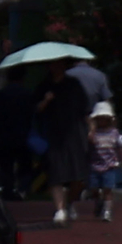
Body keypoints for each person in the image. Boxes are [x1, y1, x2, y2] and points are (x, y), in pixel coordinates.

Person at [37, 59, 94, 227]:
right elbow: (36, 109)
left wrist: (91, 129)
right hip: (53, 135)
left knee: (78, 177)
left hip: (75, 134)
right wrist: (46, 100)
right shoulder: (44, 85)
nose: (56, 67)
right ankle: (60, 209)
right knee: (56, 173)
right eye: (52, 64)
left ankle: (69, 203)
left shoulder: (74, 84)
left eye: (59, 64)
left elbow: (85, 109)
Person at [0, 75, 38, 200]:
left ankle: (8, 192)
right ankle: (23, 190)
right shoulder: (27, 94)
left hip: (4, 136)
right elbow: (32, 114)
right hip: (23, 136)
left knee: (6, 167)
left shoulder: (1, 94)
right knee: (25, 166)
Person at [85, 102, 122, 222]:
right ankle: (98, 201)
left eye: (105, 118)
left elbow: (119, 148)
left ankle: (107, 211)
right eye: (99, 119)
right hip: (94, 165)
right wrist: (91, 131)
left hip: (109, 165)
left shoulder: (114, 132)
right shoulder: (93, 133)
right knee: (94, 189)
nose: (102, 121)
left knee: (107, 189)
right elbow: (88, 147)